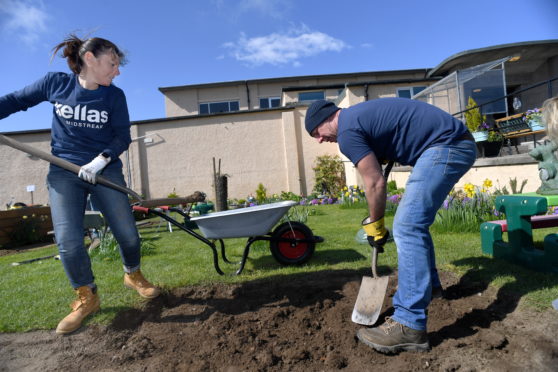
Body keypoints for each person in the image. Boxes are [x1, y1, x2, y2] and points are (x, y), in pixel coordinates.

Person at [0, 34, 160, 335]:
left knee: (127, 234)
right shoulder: (56, 84)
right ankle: (87, 296)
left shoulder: (114, 97)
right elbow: (15, 100)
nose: (117, 71)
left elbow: (122, 136)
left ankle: (132, 274)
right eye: (112, 63)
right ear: (90, 59)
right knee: (68, 240)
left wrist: (101, 160)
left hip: (105, 170)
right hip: (64, 172)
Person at [305, 98, 476, 354]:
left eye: (316, 132)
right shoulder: (357, 120)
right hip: (452, 143)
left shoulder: (348, 133)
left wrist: (375, 224)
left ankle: (409, 324)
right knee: (414, 225)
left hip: (446, 145)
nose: (319, 140)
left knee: (407, 226)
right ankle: (432, 288)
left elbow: (374, 183)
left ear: (327, 118)